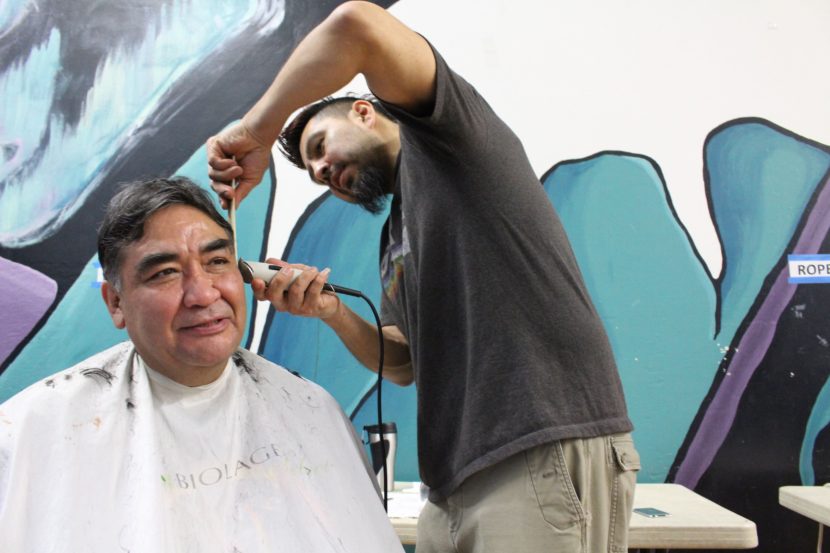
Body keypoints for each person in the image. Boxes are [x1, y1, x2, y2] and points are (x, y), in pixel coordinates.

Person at [207, 2, 640, 551]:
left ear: (364, 112)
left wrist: (257, 131)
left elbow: (357, 26)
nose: (320, 170)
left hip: (538, 444)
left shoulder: (446, 139)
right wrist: (330, 311)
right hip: (456, 480)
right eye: (315, 174)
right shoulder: (395, 235)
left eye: (320, 147)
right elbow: (404, 362)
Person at [0, 177, 403, 553]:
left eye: (217, 262)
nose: (204, 294)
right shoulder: (34, 428)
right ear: (116, 302)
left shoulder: (311, 409)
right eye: (165, 272)